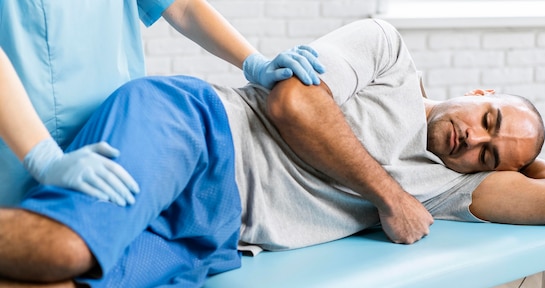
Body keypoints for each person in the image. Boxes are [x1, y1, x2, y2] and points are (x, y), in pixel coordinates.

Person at [0, 19, 545, 288]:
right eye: (487, 121)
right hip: (198, 131)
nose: (474, 141)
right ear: (480, 92)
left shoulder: (448, 189)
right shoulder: (387, 52)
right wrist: (390, 198)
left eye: (490, 156)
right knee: (62, 249)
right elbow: (292, 104)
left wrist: (518, 156)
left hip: (212, 237)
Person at [0, 0, 324, 205]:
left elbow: (181, 6)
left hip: (117, 133)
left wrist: (253, 62)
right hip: (23, 145)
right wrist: (44, 158)